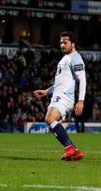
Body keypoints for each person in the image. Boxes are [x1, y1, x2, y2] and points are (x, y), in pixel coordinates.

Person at [33, 31, 86, 161]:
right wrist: (46, 91)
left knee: (49, 118)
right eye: (61, 42)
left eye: (65, 42)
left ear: (73, 44)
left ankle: (70, 148)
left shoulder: (75, 58)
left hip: (64, 97)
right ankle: (74, 151)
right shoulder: (65, 58)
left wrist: (81, 101)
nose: (62, 45)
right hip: (58, 95)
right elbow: (61, 82)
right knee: (53, 125)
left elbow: (82, 80)